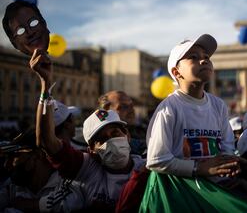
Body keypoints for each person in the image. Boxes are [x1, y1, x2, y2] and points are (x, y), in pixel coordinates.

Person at [30, 49, 147, 211]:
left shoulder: (148, 167)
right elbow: (47, 142)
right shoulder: (87, 169)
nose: (111, 141)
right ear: (91, 149)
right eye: (102, 139)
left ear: (127, 135)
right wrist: (46, 86)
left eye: (115, 133)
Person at [146, 34, 243, 178]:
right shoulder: (169, 108)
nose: (204, 60)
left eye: (207, 57)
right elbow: (156, 159)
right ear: (176, 72)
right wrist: (198, 168)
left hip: (216, 190)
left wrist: (230, 164)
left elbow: (227, 148)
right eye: (193, 57)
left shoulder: (219, 105)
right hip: (183, 193)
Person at [0, 129, 85, 212]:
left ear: (38, 155)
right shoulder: (12, 186)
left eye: (14, 156)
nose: (6, 164)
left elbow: (72, 203)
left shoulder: (65, 181)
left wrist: (32, 204)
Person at [98, 90, 146, 155]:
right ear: (106, 111)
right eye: (124, 106)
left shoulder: (143, 131)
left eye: (131, 105)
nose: (131, 109)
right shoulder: (99, 138)